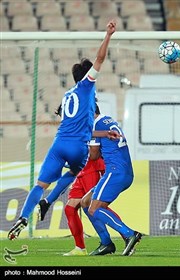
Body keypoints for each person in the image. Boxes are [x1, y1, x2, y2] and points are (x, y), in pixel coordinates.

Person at [8, 19, 118, 241]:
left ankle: (23, 216)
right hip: (78, 147)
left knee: (39, 184)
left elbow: (78, 126)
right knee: (74, 172)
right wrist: (108, 35)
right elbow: (99, 59)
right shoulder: (87, 86)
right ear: (88, 76)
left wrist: (103, 134)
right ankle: (49, 201)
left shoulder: (67, 95)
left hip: (59, 144)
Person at [80, 109, 142, 256]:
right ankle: (106, 243)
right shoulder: (107, 120)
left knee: (94, 209)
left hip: (115, 172)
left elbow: (94, 155)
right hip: (124, 171)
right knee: (86, 202)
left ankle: (129, 234)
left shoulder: (95, 124)